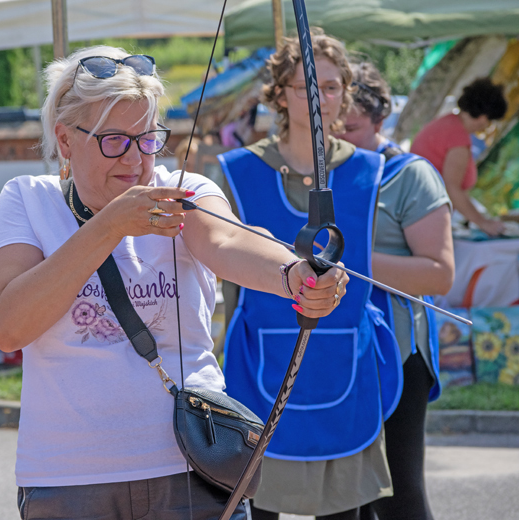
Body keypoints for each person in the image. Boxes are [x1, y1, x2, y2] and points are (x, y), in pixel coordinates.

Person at [0, 45, 348, 520]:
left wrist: (294, 274)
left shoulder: (186, 191)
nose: (136, 160)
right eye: (114, 140)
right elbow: (10, 326)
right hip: (69, 479)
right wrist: (108, 226)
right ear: (66, 140)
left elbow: (227, 242)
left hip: (194, 465)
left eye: (148, 138)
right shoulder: (27, 199)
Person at [219, 32, 396, 520]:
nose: (322, 98)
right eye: (307, 87)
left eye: (334, 86)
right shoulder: (237, 171)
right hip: (261, 364)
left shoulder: (368, 169)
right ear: (278, 94)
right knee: (258, 505)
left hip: (345, 362)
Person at [339, 62, 455, 520]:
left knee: (399, 494)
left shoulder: (411, 174)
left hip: (398, 351)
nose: (339, 138)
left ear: (380, 118)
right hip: (338, 346)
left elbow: (439, 275)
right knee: (344, 495)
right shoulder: (321, 173)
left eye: (350, 128)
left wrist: (347, 264)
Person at [410, 77, 508, 236]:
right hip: (423, 218)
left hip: (418, 212)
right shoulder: (457, 138)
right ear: (484, 118)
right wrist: (484, 223)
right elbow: (452, 188)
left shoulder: (447, 123)